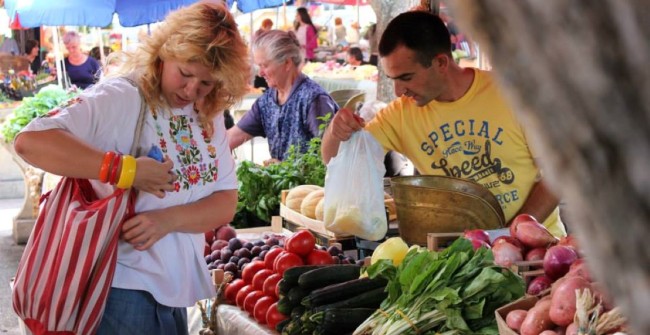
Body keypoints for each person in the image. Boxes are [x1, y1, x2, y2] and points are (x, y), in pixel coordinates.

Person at [13, 3, 251, 334]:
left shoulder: (204, 113)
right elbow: (31, 142)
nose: (191, 90)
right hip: (120, 289)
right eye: (185, 73)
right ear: (164, 53)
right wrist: (126, 171)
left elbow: (225, 200)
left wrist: (167, 221)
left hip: (174, 295)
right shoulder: (123, 96)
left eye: (206, 83)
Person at [321, 11, 566, 237]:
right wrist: (335, 131)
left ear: (440, 63)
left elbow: (558, 172)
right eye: (392, 79)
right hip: (465, 258)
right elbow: (335, 160)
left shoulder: (512, 95)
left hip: (538, 252)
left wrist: (516, 232)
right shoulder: (400, 115)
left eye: (406, 77)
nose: (398, 91)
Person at [227, 30, 338, 163]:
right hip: (286, 183)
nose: (260, 73)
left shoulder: (313, 99)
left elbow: (332, 158)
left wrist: (285, 167)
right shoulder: (266, 101)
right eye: (259, 66)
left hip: (312, 184)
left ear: (287, 63)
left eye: (265, 65)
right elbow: (232, 137)